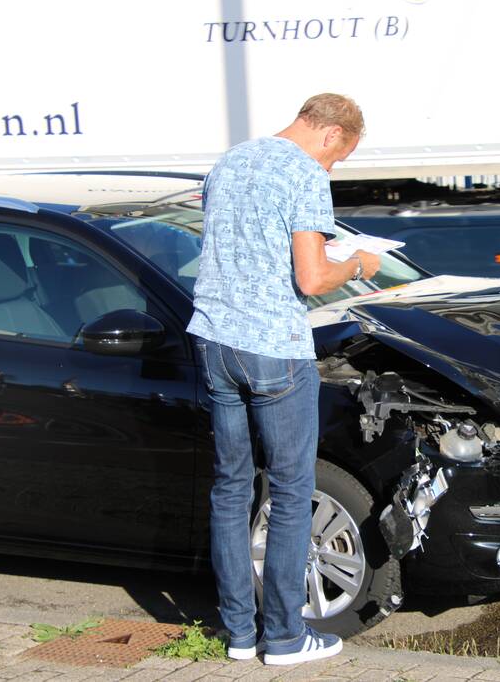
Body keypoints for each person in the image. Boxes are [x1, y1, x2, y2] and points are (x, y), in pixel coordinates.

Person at [187, 93, 380, 665]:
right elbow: (314, 277)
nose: (331, 167)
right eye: (338, 157)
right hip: (272, 347)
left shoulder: (232, 160)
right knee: (293, 493)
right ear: (330, 135)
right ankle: (287, 639)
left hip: (215, 342)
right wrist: (357, 264)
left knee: (230, 489)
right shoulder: (303, 172)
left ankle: (240, 636)